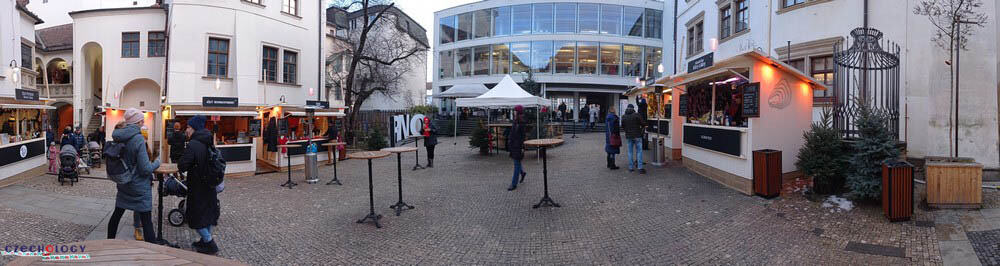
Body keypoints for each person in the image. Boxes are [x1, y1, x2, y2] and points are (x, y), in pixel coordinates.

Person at [107, 109, 160, 244]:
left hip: (124, 183)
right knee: (146, 221)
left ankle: (109, 243)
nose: (143, 122)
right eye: (142, 120)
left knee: (116, 215)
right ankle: (153, 252)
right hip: (139, 188)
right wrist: (157, 163)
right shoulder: (138, 139)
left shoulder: (118, 136)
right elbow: (145, 169)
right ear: (139, 122)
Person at [177, 115, 221, 255]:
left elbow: (183, 165)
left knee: (196, 216)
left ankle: (209, 242)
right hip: (209, 185)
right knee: (206, 215)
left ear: (194, 128)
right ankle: (204, 241)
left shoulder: (194, 144)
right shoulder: (208, 140)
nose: (187, 130)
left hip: (198, 186)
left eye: (189, 127)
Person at [506, 106, 528, 191]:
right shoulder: (515, 121)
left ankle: (513, 184)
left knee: (516, 164)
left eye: (515, 111)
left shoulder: (521, 123)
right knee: (517, 162)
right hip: (513, 145)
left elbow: (522, 137)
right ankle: (522, 173)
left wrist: (522, 147)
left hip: (518, 146)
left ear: (518, 113)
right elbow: (513, 133)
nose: (514, 113)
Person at [621, 104, 646, 174]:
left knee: (630, 152)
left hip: (629, 136)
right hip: (637, 135)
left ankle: (631, 167)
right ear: (633, 108)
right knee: (639, 151)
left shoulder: (624, 116)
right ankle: (640, 168)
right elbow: (643, 123)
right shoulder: (636, 115)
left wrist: (627, 130)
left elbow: (622, 126)